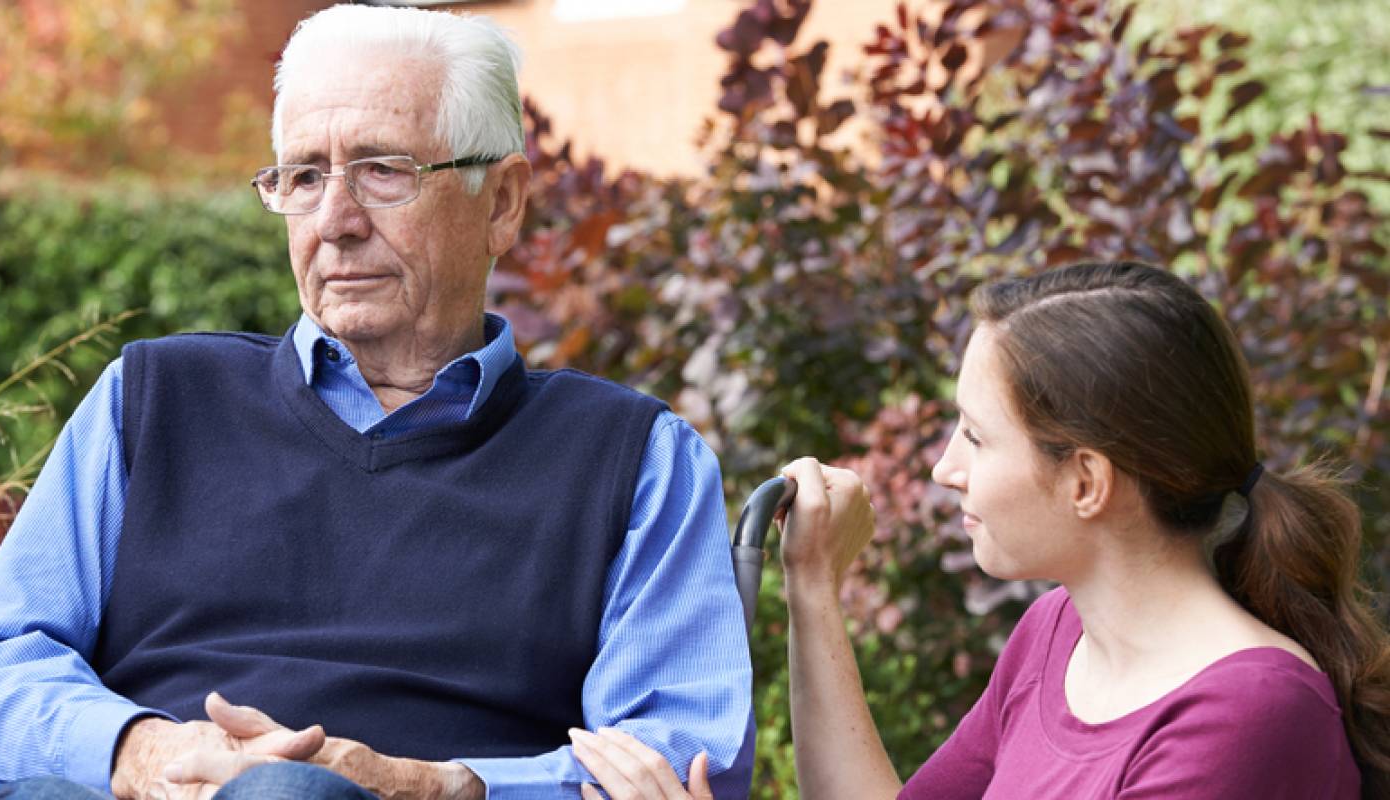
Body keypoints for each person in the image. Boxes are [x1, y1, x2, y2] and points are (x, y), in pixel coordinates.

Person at [0, 6, 755, 800]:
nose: (335, 220)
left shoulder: (630, 456)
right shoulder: (152, 401)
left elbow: (680, 760)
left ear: (500, 203)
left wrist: (441, 787)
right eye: (303, 176)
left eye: (383, 170)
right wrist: (139, 751)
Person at [571, 261, 1390, 798]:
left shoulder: (1247, 713)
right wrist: (814, 587)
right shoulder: (1058, 634)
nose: (943, 467)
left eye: (974, 434)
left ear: (1085, 481)